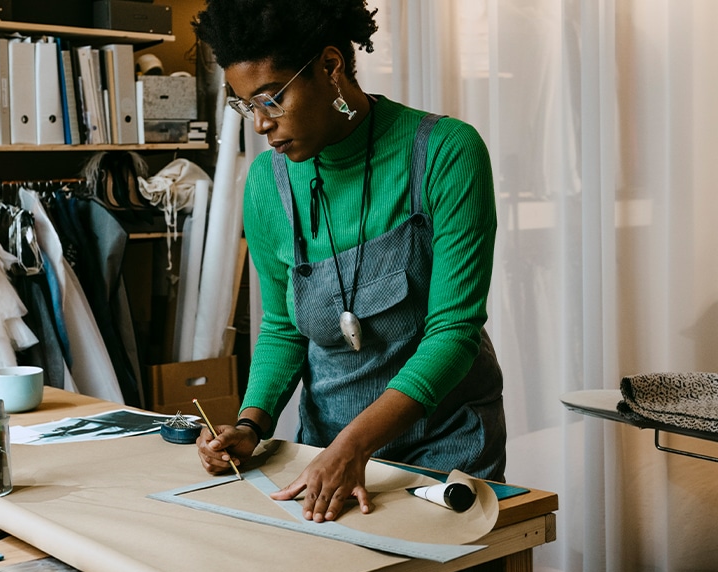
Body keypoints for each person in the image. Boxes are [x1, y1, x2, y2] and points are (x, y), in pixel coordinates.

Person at [192, 0, 506, 524]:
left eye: (272, 98)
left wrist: (354, 446)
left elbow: (454, 331)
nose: (262, 125)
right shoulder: (267, 185)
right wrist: (251, 424)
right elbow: (282, 328)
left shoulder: (446, 152)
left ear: (331, 66)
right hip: (324, 451)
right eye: (248, 107)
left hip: (446, 453)